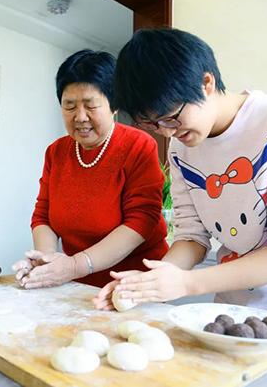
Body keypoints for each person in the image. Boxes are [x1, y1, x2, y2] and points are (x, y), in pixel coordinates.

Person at [93, 28, 267, 366]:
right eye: (155, 125)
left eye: (172, 117)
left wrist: (186, 284)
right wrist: (151, 283)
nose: (168, 133)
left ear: (206, 83)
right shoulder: (180, 149)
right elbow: (192, 236)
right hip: (235, 311)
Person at [12, 49, 169, 289]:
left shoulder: (138, 145)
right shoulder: (56, 152)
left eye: (90, 105)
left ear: (114, 105)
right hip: (75, 283)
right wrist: (47, 262)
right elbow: (43, 215)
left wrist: (74, 265)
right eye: (70, 106)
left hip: (131, 283)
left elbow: (141, 221)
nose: (80, 117)